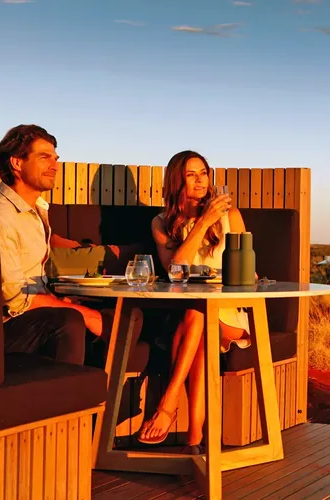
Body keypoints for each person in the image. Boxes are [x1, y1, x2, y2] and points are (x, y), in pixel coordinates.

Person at [0, 124, 143, 366]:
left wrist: (59, 298)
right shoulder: (2, 214)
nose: (54, 166)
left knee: (129, 316)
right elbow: (14, 296)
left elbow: (34, 278)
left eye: (55, 158)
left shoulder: (38, 210)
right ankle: (69, 396)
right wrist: (82, 314)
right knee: (70, 321)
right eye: (44, 158)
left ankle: (99, 393)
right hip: (7, 323)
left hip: (37, 306)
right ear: (17, 163)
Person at [137, 150, 252, 454]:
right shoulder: (161, 222)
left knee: (198, 312)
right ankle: (194, 442)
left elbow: (248, 270)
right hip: (191, 316)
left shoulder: (232, 216)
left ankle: (168, 403)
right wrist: (203, 222)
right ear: (177, 181)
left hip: (230, 318)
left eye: (204, 173)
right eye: (191, 174)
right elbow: (175, 268)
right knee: (198, 320)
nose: (201, 181)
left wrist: (215, 220)